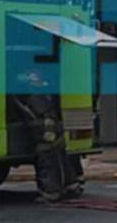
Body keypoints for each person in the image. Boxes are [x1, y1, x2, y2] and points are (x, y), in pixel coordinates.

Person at [11, 70, 82, 202]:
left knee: (46, 160)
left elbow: (37, 116)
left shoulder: (34, 96)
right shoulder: (46, 92)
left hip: (46, 132)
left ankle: (51, 192)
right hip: (54, 129)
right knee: (61, 157)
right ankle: (71, 186)